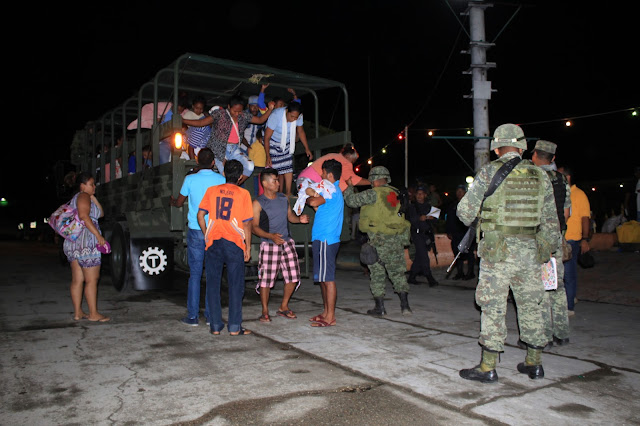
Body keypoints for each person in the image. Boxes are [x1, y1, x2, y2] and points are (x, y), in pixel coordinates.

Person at [457, 123, 560, 383]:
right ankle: (534, 363)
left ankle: (488, 367)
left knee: (493, 306)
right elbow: (551, 224)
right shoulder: (541, 176)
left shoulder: (489, 172)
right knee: (530, 307)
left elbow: (464, 212)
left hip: (497, 253)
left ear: (497, 146)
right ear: (523, 146)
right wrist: (544, 251)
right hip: (529, 253)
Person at [344, 166, 413, 316]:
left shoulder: (373, 194)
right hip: (396, 239)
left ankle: (380, 308)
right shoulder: (397, 193)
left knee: (377, 274)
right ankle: (405, 306)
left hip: (378, 240)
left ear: (374, 179)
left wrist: (349, 187)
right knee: (397, 273)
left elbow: (351, 201)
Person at [197, 159, 254, 336]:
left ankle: (215, 325)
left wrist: (207, 233)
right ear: (240, 177)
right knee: (235, 285)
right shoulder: (243, 194)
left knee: (213, 284)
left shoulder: (212, 191)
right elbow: (246, 224)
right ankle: (235, 327)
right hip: (234, 242)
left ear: (224, 173)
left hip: (214, 241)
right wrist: (248, 247)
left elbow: (200, 215)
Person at [170, 148, 225, 326]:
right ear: (212, 163)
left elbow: (179, 202)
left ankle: (192, 316)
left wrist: (172, 201)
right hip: (215, 231)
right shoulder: (220, 179)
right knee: (212, 275)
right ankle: (210, 316)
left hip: (196, 230)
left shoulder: (190, 179)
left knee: (194, 274)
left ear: (196, 161)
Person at [526, 140, 572, 347]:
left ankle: (544, 335)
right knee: (557, 286)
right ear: (553, 158)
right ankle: (561, 333)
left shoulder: (532, 177)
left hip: (538, 240)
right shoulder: (562, 180)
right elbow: (566, 213)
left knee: (542, 287)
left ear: (534, 155)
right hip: (557, 239)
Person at [251, 168, 310, 322]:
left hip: (286, 242)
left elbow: (290, 217)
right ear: (265, 183)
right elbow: (254, 227)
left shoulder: (283, 198)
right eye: (274, 181)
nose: (278, 183)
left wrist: (299, 219)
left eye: (277, 180)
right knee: (266, 279)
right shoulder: (258, 203)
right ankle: (264, 311)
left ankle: (283, 307)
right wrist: (270, 236)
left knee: (293, 276)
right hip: (269, 244)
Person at [182, 95, 275, 186]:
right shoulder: (220, 114)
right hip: (218, 149)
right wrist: (183, 120)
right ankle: (230, 186)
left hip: (234, 149)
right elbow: (201, 122)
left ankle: (235, 185)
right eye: (234, 111)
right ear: (229, 107)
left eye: (239, 111)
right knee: (225, 174)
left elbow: (260, 120)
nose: (237, 114)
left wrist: (270, 109)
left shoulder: (244, 115)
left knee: (250, 165)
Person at [63, 172, 110, 322]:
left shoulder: (81, 197)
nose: (94, 186)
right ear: (82, 186)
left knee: (78, 279)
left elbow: (100, 213)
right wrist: (98, 236)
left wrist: (93, 196)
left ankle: (78, 313)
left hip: (74, 242)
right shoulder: (83, 196)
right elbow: (84, 216)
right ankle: (93, 314)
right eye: (91, 184)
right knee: (92, 279)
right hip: (86, 242)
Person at [306, 159, 343, 327]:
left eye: (322, 173)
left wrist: (308, 195)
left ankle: (330, 317)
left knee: (328, 279)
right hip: (323, 238)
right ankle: (326, 312)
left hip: (326, 239)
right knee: (322, 278)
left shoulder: (331, 189)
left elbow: (313, 202)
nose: (321, 176)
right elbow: (318, 208)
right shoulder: (332, 190)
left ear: (329, 175)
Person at [557, 165, 591, 317]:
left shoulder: (578, 194)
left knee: (569, 274)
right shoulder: (559, 192)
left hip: (572, 239)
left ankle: (569, 306)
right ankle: (567, 299)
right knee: (559, 274)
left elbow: (585, 218)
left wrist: (585, 239)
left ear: (567, 177)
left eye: (559, 175)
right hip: (558, 238)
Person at [263, 101, 313, 197]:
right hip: (272, 141)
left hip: (286, 142)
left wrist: (307, 148)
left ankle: (288, 193)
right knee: (273, 168)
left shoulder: (299, 117)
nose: (294, 119)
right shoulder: (276, 115)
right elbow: (266, 137)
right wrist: (268, 156)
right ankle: (271, 193)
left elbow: (301, 132)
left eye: (296, 117)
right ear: (287, 111)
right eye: (292, 116)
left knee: (288, 166)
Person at [296, 144, 371, 193]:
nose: (351, 165)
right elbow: (352, 179)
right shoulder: (344, 161)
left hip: (302, 181)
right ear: (348, 157)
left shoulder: (334, 156)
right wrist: (371, 182)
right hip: (309, 184)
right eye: (353, 161)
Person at [406, 185, 439, 287]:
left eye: (421, 194)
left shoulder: (428, 206)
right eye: (418, 194)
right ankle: (429, 277)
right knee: (423, 255)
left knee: (419, 256)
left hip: (426, 234)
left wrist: (428, 217)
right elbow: (410, 219)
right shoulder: (412, 207)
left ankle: (412, 276)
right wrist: (419, 218)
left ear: (425, 195)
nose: (419, 196)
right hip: (416, 233)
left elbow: (436, 215)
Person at [445, 184, 476, 280]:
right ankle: (460, 272)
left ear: (465, 192)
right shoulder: (453, 205)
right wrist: (448, 231)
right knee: (457, 253)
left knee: (469, 253)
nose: (459, 193)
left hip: (467, 233)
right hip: (456, 233)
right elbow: (449, 219)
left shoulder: (470, 204)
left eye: (461, 191)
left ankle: (470, 273)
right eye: (457, 191)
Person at [182, 95, 211, 159]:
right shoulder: (188, 114)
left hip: (198, 138)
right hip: (190, 136)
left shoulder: (203, 116)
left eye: (201, 109)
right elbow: (183, 126)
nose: (198, 110)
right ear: (193, 106)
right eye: (197, 108)